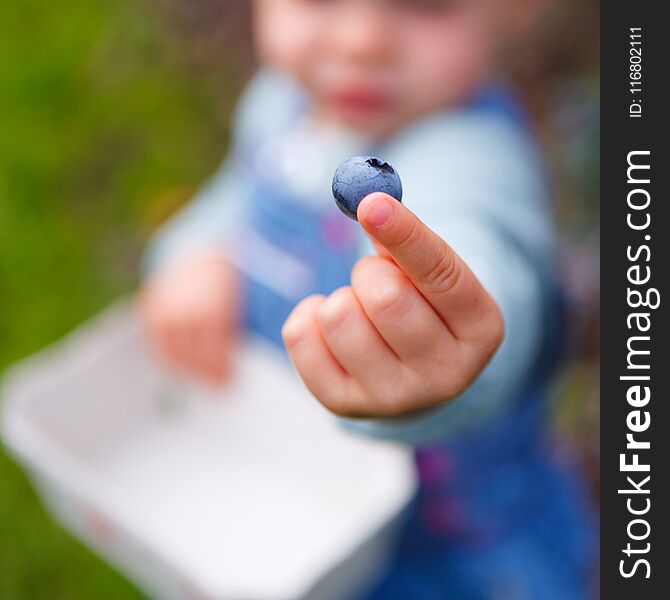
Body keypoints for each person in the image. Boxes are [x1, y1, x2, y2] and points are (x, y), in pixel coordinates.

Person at [140, 0, 596, 597]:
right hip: (308, 494)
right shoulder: (280, 103)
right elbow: (239, 193)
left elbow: (480, 253)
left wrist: (443, 341)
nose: (362, 42)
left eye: (426, 6)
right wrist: (197, 251)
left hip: (444, 550)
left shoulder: (472, 156)